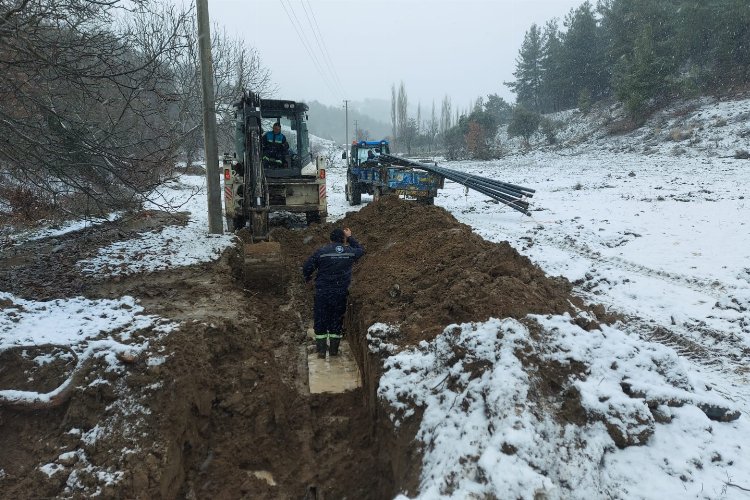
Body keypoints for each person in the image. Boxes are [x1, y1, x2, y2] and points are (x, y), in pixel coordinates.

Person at [302, 227, 365, 358]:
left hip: (323, 292)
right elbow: (361, 251)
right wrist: (350, 238)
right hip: (340, 292)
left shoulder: (322, 252)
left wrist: (307, 278)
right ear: (343, 239)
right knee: (336, 319)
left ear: (330, 239)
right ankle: (334, 351)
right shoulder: (349, 251)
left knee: (321, 319)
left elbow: (307, 267)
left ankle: (321, 351)